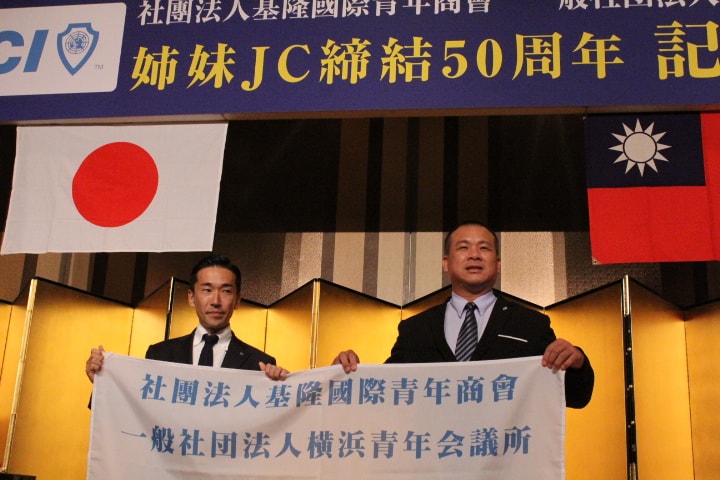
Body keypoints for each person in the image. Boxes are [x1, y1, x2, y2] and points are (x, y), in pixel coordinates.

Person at [332, 221, 594, 408]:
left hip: (506, 459)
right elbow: (389, 394)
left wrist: (577, 363)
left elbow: (574, 397)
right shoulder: (415, 328)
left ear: (498, 264)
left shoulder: (530, 323)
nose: (474, 255)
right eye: (463, 248)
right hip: (436, 457)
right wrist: (346, 377)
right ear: (446, 263)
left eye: (484, 248)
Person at [86, 253, 288, 382]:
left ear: (237, 300)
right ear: (191, 297)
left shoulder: (260, 364)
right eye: (207, 290)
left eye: (226, 291)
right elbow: (137, 411)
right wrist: (103, 381)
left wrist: (282, 389)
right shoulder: (160, 354)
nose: (216, 301)